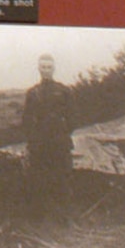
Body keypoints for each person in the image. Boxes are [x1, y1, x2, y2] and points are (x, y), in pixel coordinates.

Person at [21, 52, 74, 204]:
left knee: (63, 178)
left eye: (49, 67)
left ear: (54, 69)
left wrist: (62, 133)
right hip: (40, 144)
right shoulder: (32, 93)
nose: (46, 70)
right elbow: (26, 120)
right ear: (39, 69)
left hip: (59, 142)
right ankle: (42, 216)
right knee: (40, 179)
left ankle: (64, 216)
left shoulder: (64, 91)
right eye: (43, 67)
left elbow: (73, 117)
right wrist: (33, 140)